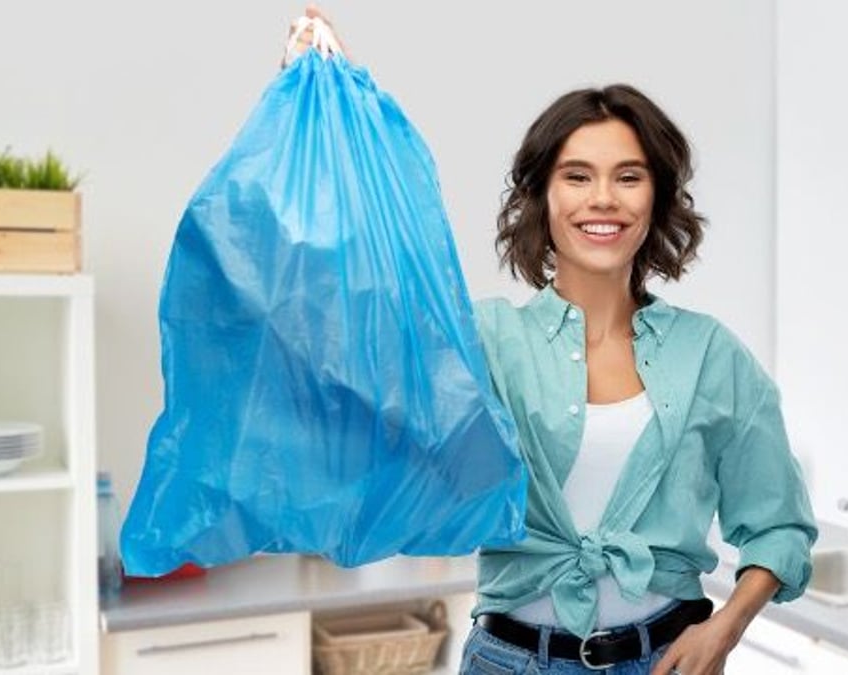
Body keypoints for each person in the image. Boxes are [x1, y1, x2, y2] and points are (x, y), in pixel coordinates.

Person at [288, 8, 816, 675]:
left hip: (667, 659)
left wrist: (725, 630)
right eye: (577, 176)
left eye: (629, 176)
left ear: (656, 198)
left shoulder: (709, 355)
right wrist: (326, 120)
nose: (604, 199)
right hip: (512, 661)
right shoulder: (485, 339)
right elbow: (355, 352)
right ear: (542, 196)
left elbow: (780, 524)